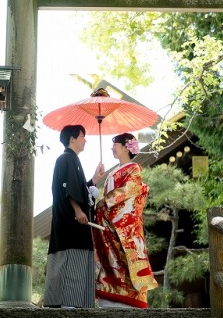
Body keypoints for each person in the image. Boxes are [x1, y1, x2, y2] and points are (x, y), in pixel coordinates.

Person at [92, 132, 158, 308]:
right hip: (109, 223)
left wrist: (106, 201)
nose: (112, 148)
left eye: (116, 145)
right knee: (110, 259)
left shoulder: (133, 169)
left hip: (123, 225)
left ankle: (129, 296)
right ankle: (111, 292)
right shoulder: (112, 172)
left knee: (126, 259)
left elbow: (130, 189)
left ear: (125, 147)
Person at [43, 124, 105, 308]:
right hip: (71, 224)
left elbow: (78, 188)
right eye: (82, 136)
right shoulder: (66, 159)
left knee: (74, 262)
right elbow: (68, 188)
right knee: (70, 263)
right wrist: (78, 210)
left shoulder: (73, 160)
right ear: (72, 139)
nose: (85, 139)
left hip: (75, 224)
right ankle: (68, 304)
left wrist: (94, 179)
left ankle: (74, 304)